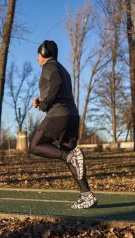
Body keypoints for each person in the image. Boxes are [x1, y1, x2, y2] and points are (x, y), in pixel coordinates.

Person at [30, 40, 97, 209]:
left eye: (38, 54)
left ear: (44, 53)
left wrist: (45, 104)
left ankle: (68, 156)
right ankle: (86, 195)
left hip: (59, 116)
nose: (37, 58)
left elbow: (56, 83)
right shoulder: (63, 69)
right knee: (70, 155)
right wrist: (42, 101)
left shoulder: (50, 66)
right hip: (72, 115)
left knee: (35, 145)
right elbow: (58, 86)